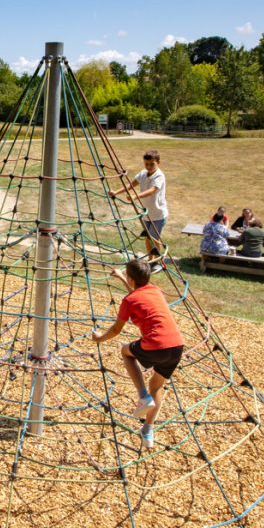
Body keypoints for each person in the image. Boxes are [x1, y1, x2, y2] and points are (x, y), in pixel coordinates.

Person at [90, 258, 184, 449]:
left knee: (126, 352)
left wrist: (99, 338)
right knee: (157, 386)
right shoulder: (155, 290)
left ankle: (143, 396)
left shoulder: (128, 301)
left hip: (156, 343)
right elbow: (138, 293)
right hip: (176, 346)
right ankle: (148, 430)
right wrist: (122, 277)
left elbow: (116, 330)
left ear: (131, 279)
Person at [110, 150, 168, 271]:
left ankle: (156, 262)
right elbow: (131, 185)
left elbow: (153, 190)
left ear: (158, 162)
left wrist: (135, 196)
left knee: (153, 239)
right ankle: (150, 260)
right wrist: (116, 192)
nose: (149, 167)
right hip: (146, 213)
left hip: (158, 214)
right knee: (147, 238)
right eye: (146, 164)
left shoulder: (159, 176)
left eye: (152, 164)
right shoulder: (143, 173)